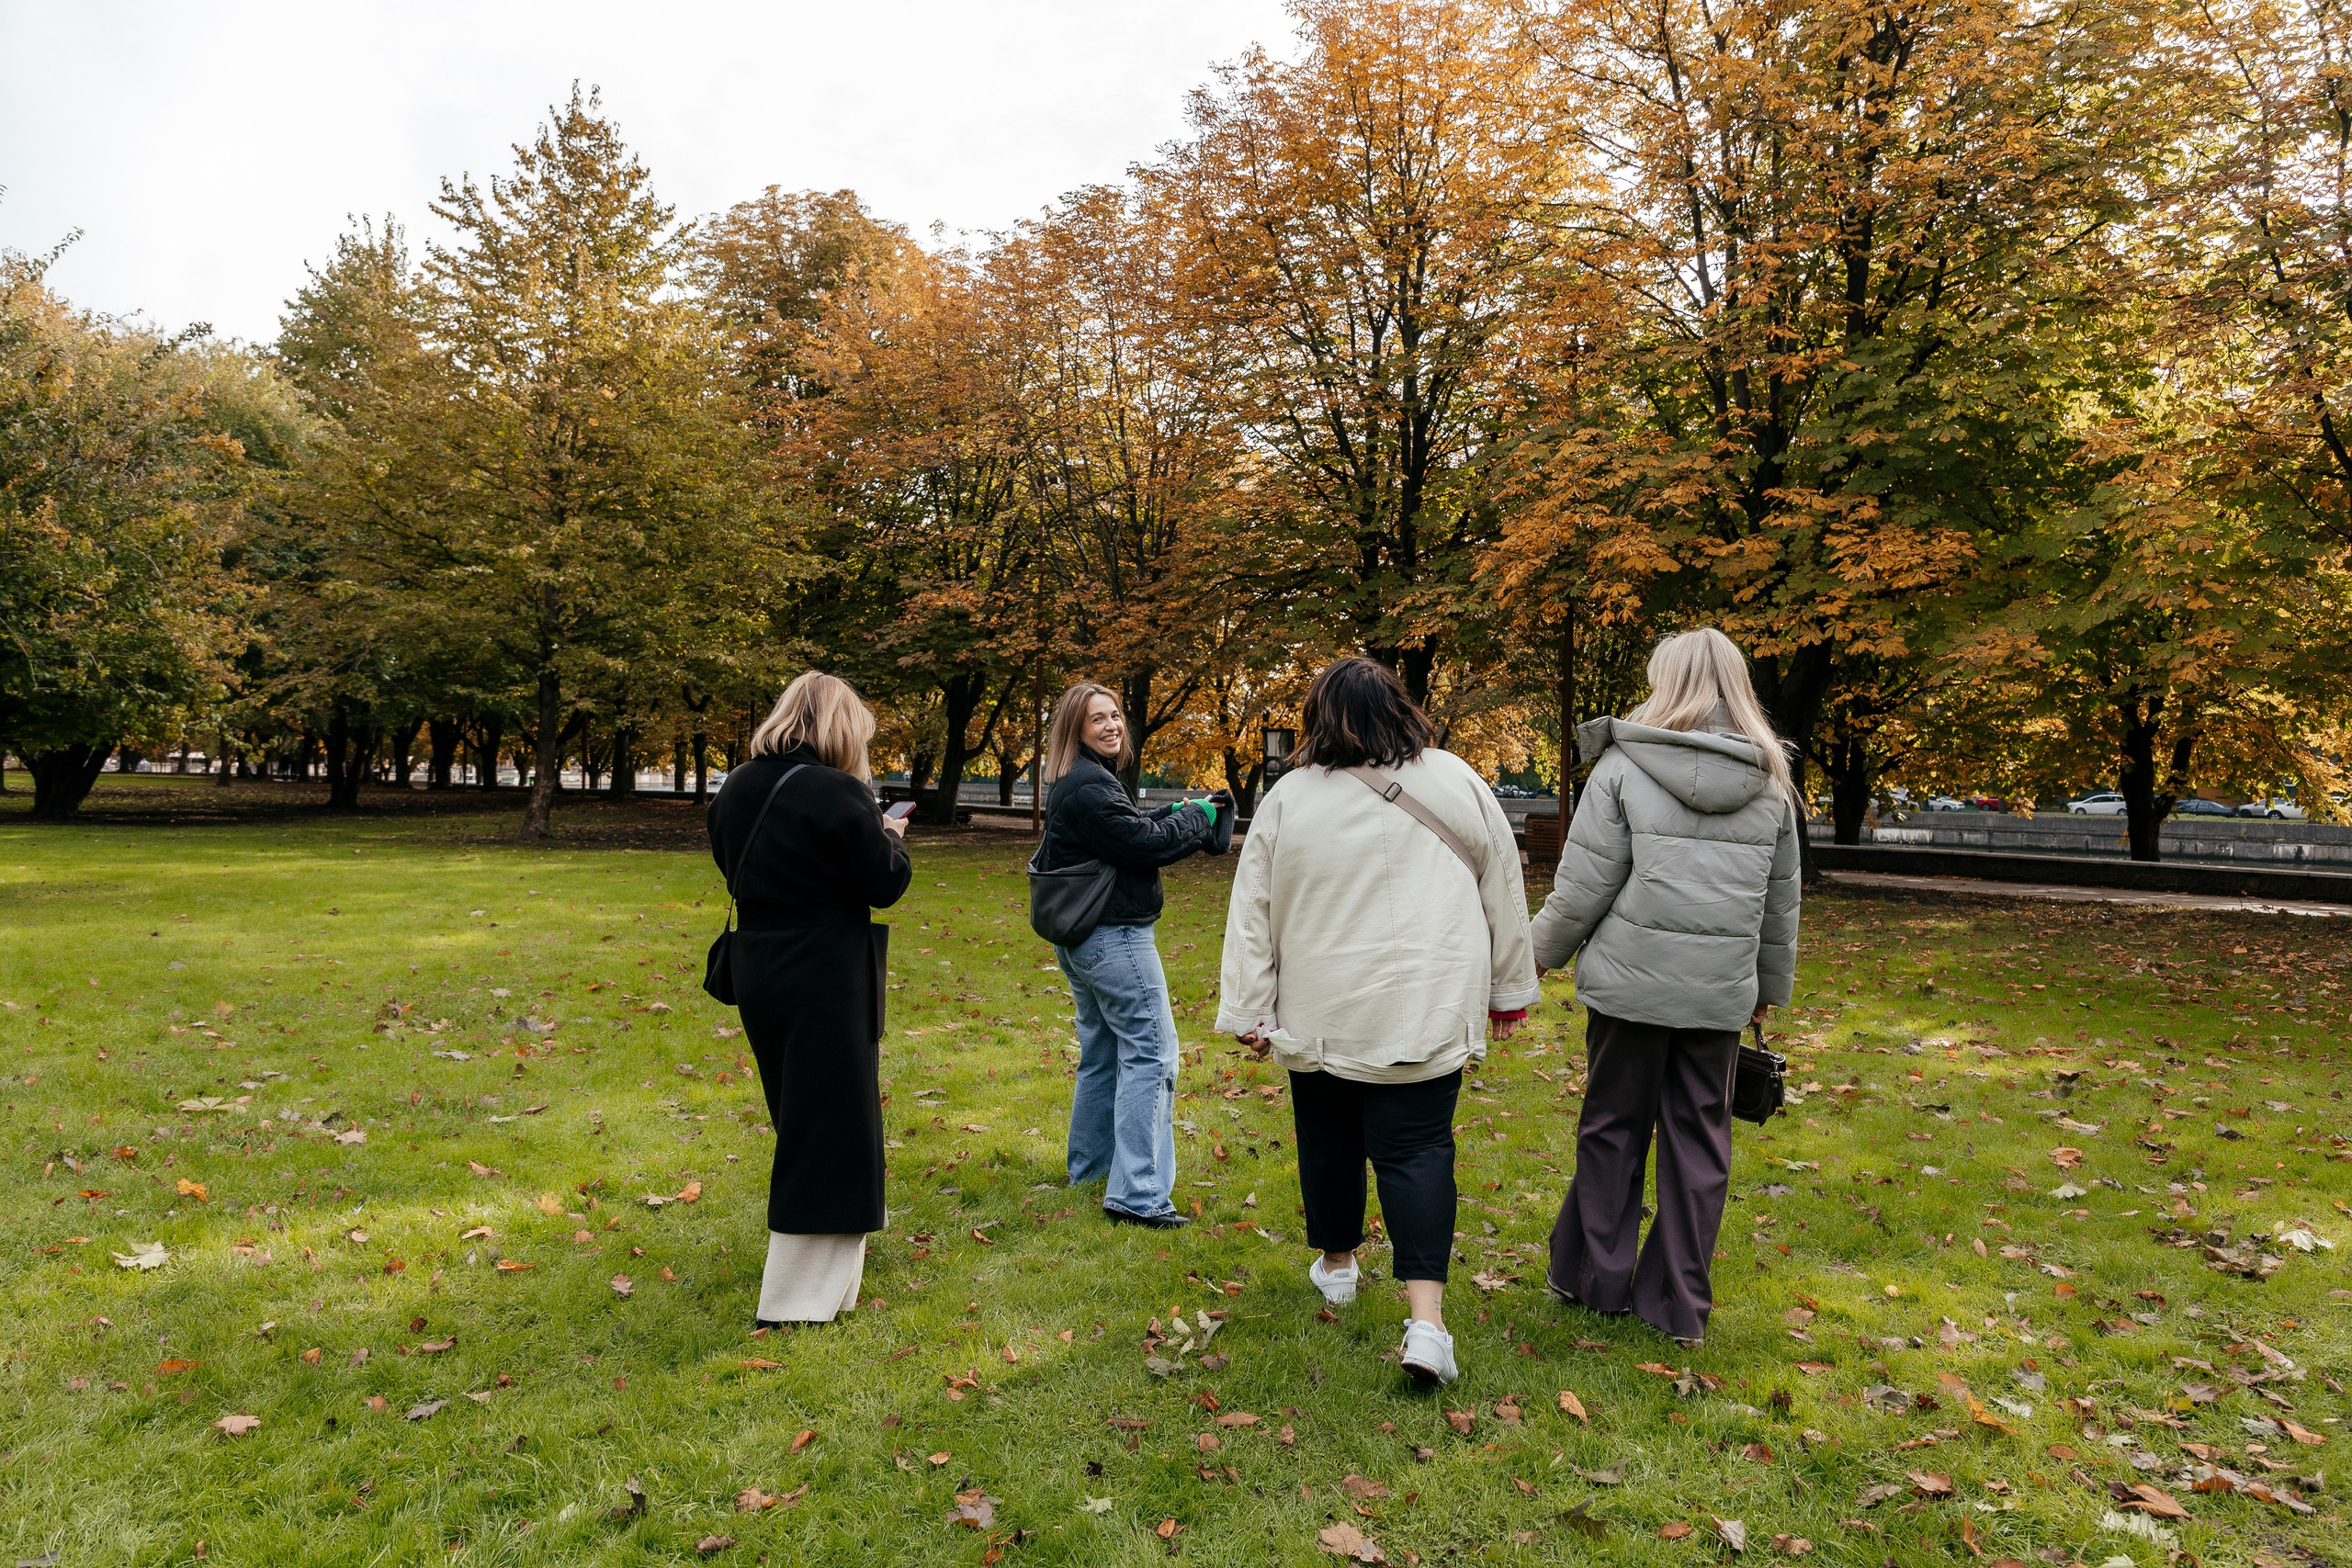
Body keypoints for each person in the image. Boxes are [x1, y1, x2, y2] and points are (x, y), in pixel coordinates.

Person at [1217, 657, 1539, 1385]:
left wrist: (1248, 1005)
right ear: (1401, 708)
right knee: (1419, 1151)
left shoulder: (1289, 797)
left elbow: (1252, 909)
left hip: (1323, 1007)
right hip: (1426, 1002)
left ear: (1318, 718)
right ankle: (1426, 1324)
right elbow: (1505, 889)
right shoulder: (1458, 778)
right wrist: (1509, 988)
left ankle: (1337, 1264)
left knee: (1328, 1140)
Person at [1532, 627, 1801, 1346]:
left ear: (1667, 682)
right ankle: (1679, 1304)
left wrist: (1532, 956)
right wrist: (1767, 986)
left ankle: (1598, 1278)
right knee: (1699, 1144)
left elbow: (1582, 888)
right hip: (1718, 995)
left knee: (1613, 1127)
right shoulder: (1772, 783)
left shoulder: (1623, 767)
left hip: (1629, 989)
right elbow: (1780, 905)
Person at [707, 671, 911, 1326]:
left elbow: (729, 853)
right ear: (841, 727)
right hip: (826, 969)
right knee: (833, 1125)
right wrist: (891, 837)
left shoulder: (736, 784)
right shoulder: (839, 792)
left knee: (803, 1114)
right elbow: (884, 883)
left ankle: (831, 1282)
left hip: (760, 964)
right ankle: (797, 1299)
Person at [1038, 682, 1231, 1228]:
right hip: (1113, 936)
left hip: (1083, 938)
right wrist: (1195, 819)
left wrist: (1180, 810)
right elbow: (1146, 845)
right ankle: (1139, 1193)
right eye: (1097, 718)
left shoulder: (1086, 782)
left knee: (1102, 1053)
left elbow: (1134, 832)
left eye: (1116, 714)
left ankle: (1093, 1171)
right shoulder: (1090, 787)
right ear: (1074, 728)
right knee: (1152, 1052)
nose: (1111, 724)